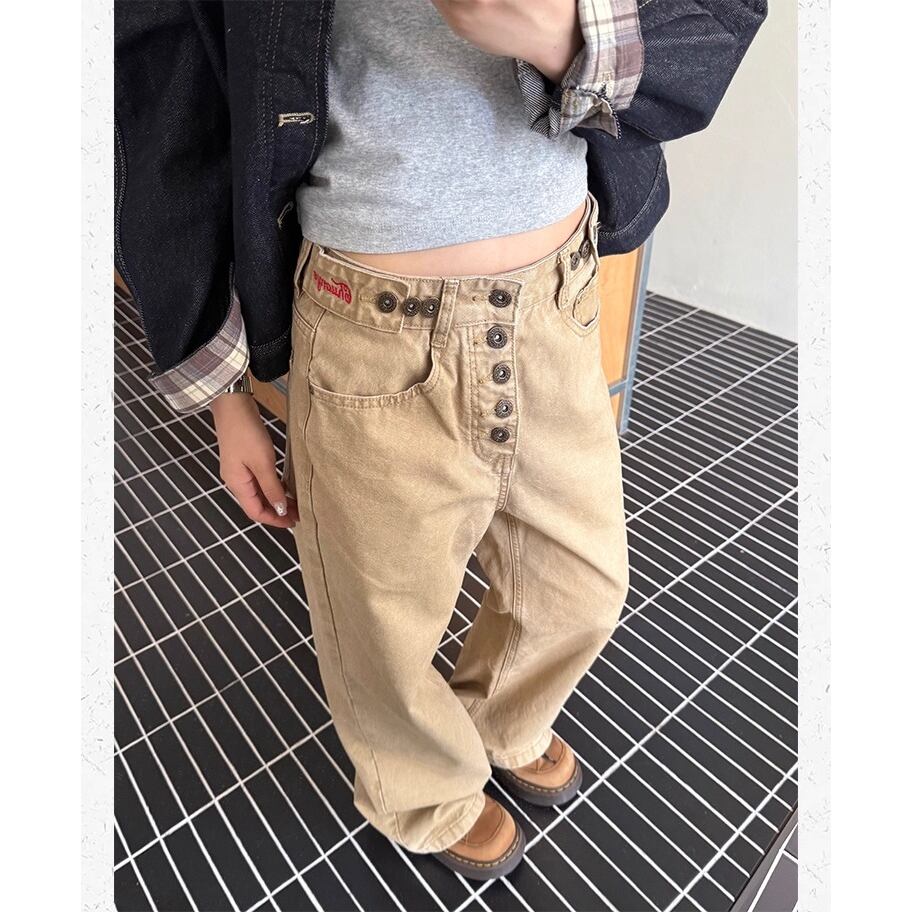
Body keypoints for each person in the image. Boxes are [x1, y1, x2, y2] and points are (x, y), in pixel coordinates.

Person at [115, 0, 766, 880]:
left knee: (581, 584)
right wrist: (227, 398)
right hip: (369, 327)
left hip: (557, 299)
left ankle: (500, 719)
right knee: (379, 622)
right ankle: (422, 792)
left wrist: (565, 36)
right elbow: (168, 99)